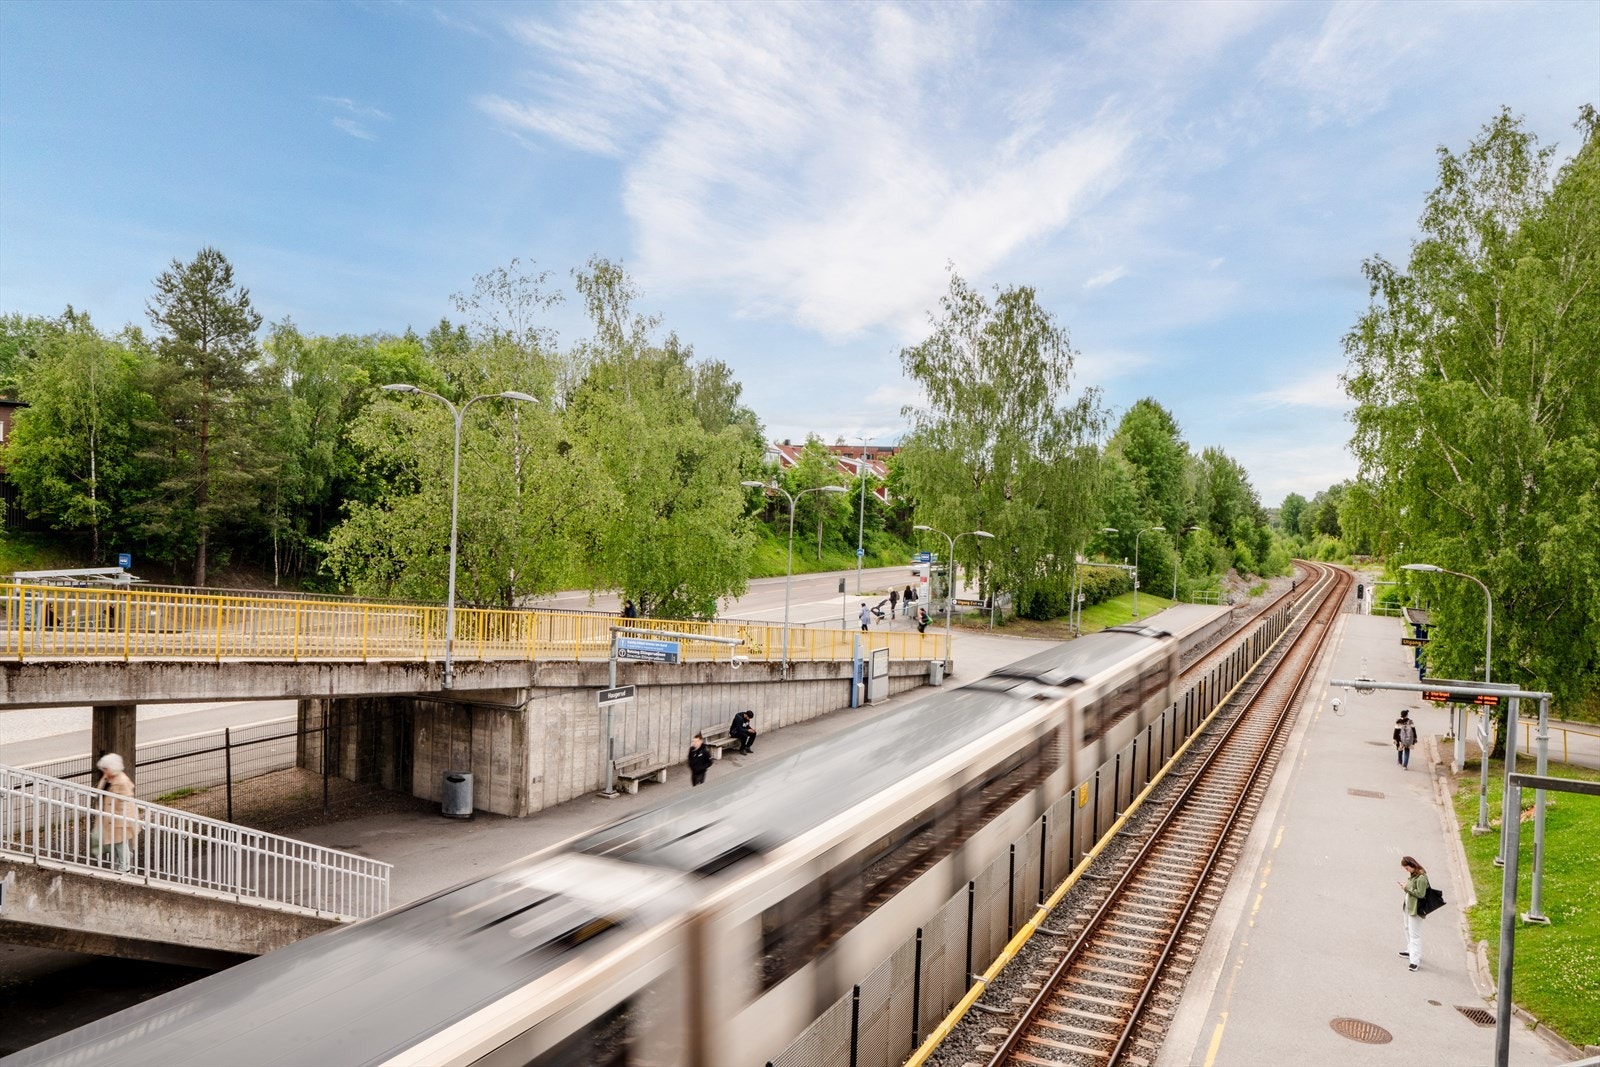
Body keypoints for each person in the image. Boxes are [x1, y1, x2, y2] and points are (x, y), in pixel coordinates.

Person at [94, 753, 137, 872]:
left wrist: (121, 817)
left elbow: (127, 801)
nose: (104, 771)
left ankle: (125, 867)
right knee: (109, 841)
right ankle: (126, 857)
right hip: (108, 817)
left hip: (119, 818)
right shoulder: (107, 777)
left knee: (119, 842)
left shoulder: (122, 781)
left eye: (105, 768)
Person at [1398, 856, 1429, 970]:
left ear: (1412, 866)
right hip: (1408, 907)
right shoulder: (1414, 875)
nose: (1406, 870)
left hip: (1415, 909)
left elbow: (1421, 894)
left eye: (1407, 868)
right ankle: (1410, 950)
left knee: (1415, 934)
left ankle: (1414, 961)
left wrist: (1406, 888)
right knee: (1407, 928)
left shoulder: (1421, 877)